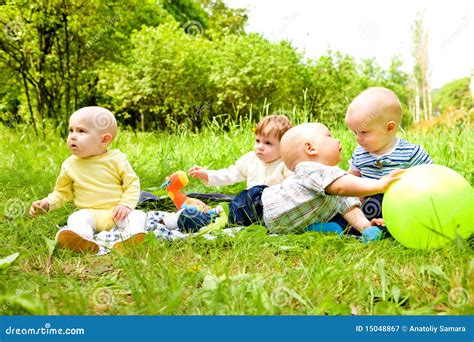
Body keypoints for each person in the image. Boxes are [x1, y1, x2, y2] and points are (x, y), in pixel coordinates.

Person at [177, 123, 402, 238]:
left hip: (272, 222)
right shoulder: (312, 170)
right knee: (224, 220)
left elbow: (349, 204)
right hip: (254, 205)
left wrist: (365, 227)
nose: (338, 140)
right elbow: (344, 185)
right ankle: (203, 216)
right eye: (330, 136)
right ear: (310, 148)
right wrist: (379, 184)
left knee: (345, 208)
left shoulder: (332, 180)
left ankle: (319, 228)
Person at [29, 107, 146, 253]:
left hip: (117, 213)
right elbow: (61, 193)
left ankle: (131, 239)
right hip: (90, 214)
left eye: (81, 131)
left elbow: (132, 184)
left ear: (104, 140)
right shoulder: (69, 165)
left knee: (138, 216)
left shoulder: (116, 159)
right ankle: (83, 240)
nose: (72, 136)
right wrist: (47, 203)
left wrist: (126, 205)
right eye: (71, 130)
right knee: (76, 218)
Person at [345, 87, 433, 222]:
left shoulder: (411, 153)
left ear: (389, 128)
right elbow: (352, 180)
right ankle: (365, 225)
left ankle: (389, 223)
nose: (358, 138)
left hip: (402, 205)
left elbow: (432, 179)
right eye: (355, 133)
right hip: (368, 207)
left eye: (363, 132)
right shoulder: (359, 153)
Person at [188, 114, 293, 189]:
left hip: (274, 208)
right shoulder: (251, 159)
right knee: (225, 210)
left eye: (268, 143)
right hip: (249, 206)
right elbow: (231, 174)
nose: (260, 147)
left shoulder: (286, 165)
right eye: (257, 141)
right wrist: (208, 175)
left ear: (283, 145)